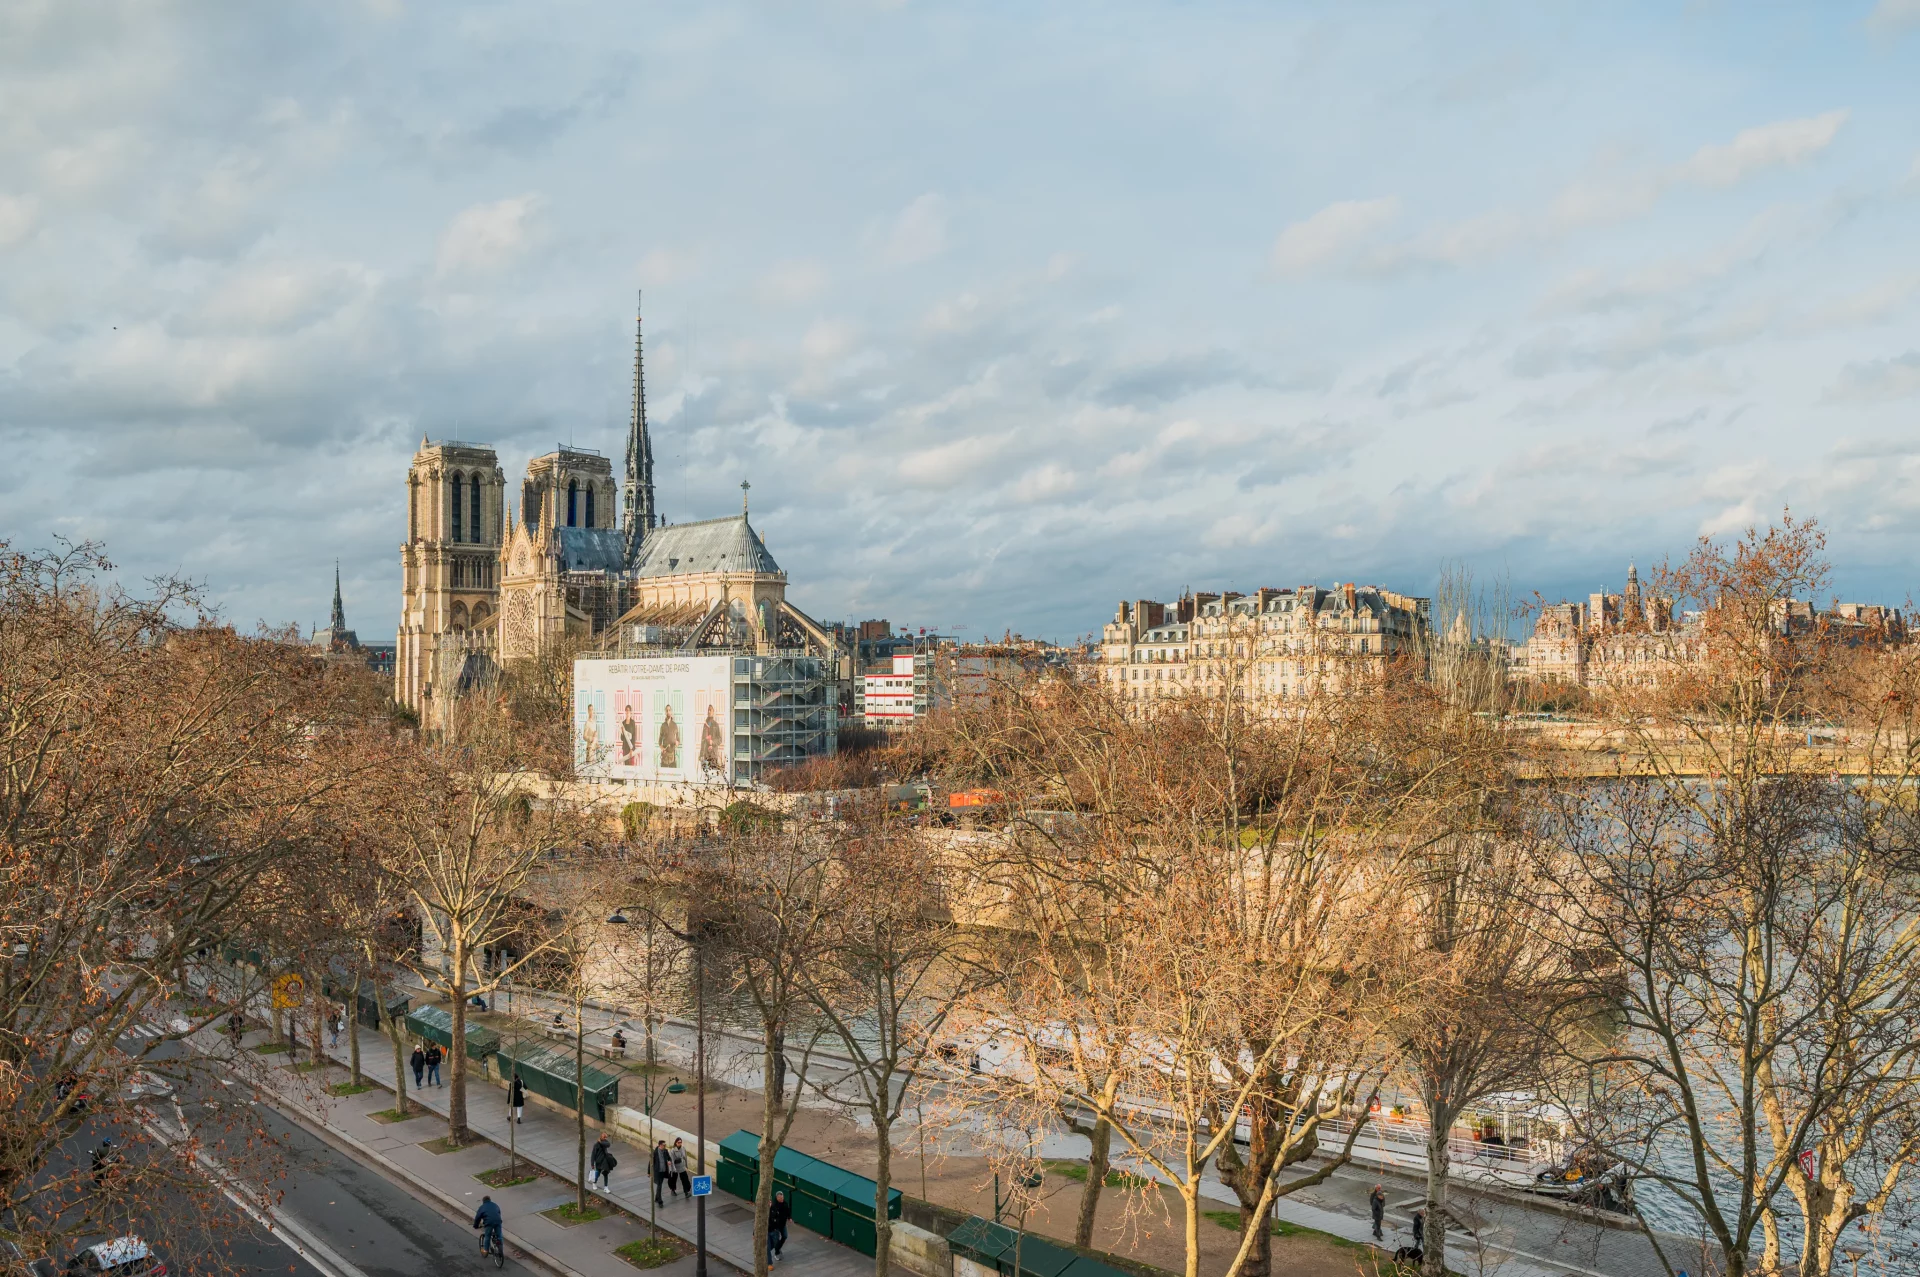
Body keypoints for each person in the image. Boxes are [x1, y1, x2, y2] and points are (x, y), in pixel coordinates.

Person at [768, 1189, 790, 1264]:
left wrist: (789, 1218)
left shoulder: (785, 1204)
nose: (781, 1199)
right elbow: (772, 1216)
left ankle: (777, 1248)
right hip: (776, 1226)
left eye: (782, 1197)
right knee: (776, 1241)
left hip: (783, 1225)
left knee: (785, 1236)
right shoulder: (774, 1206)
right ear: (777, 1198)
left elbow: (788, 1211)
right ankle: (776, 1252)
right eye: (780, 1198)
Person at [650, 1139, 672, 1205]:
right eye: (663, 1145)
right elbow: (650, 1162)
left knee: (660, 1185)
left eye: (665, 1145)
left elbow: (669, 1158)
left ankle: (657, 1198)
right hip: (658, 1171)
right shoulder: (655, 1152)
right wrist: (649, 1172)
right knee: (659, 1185)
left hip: (664, 1171)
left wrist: (669, 1161)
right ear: (660, 1145)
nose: (665, 1146)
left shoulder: (665, 1151)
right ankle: (660, 1201)